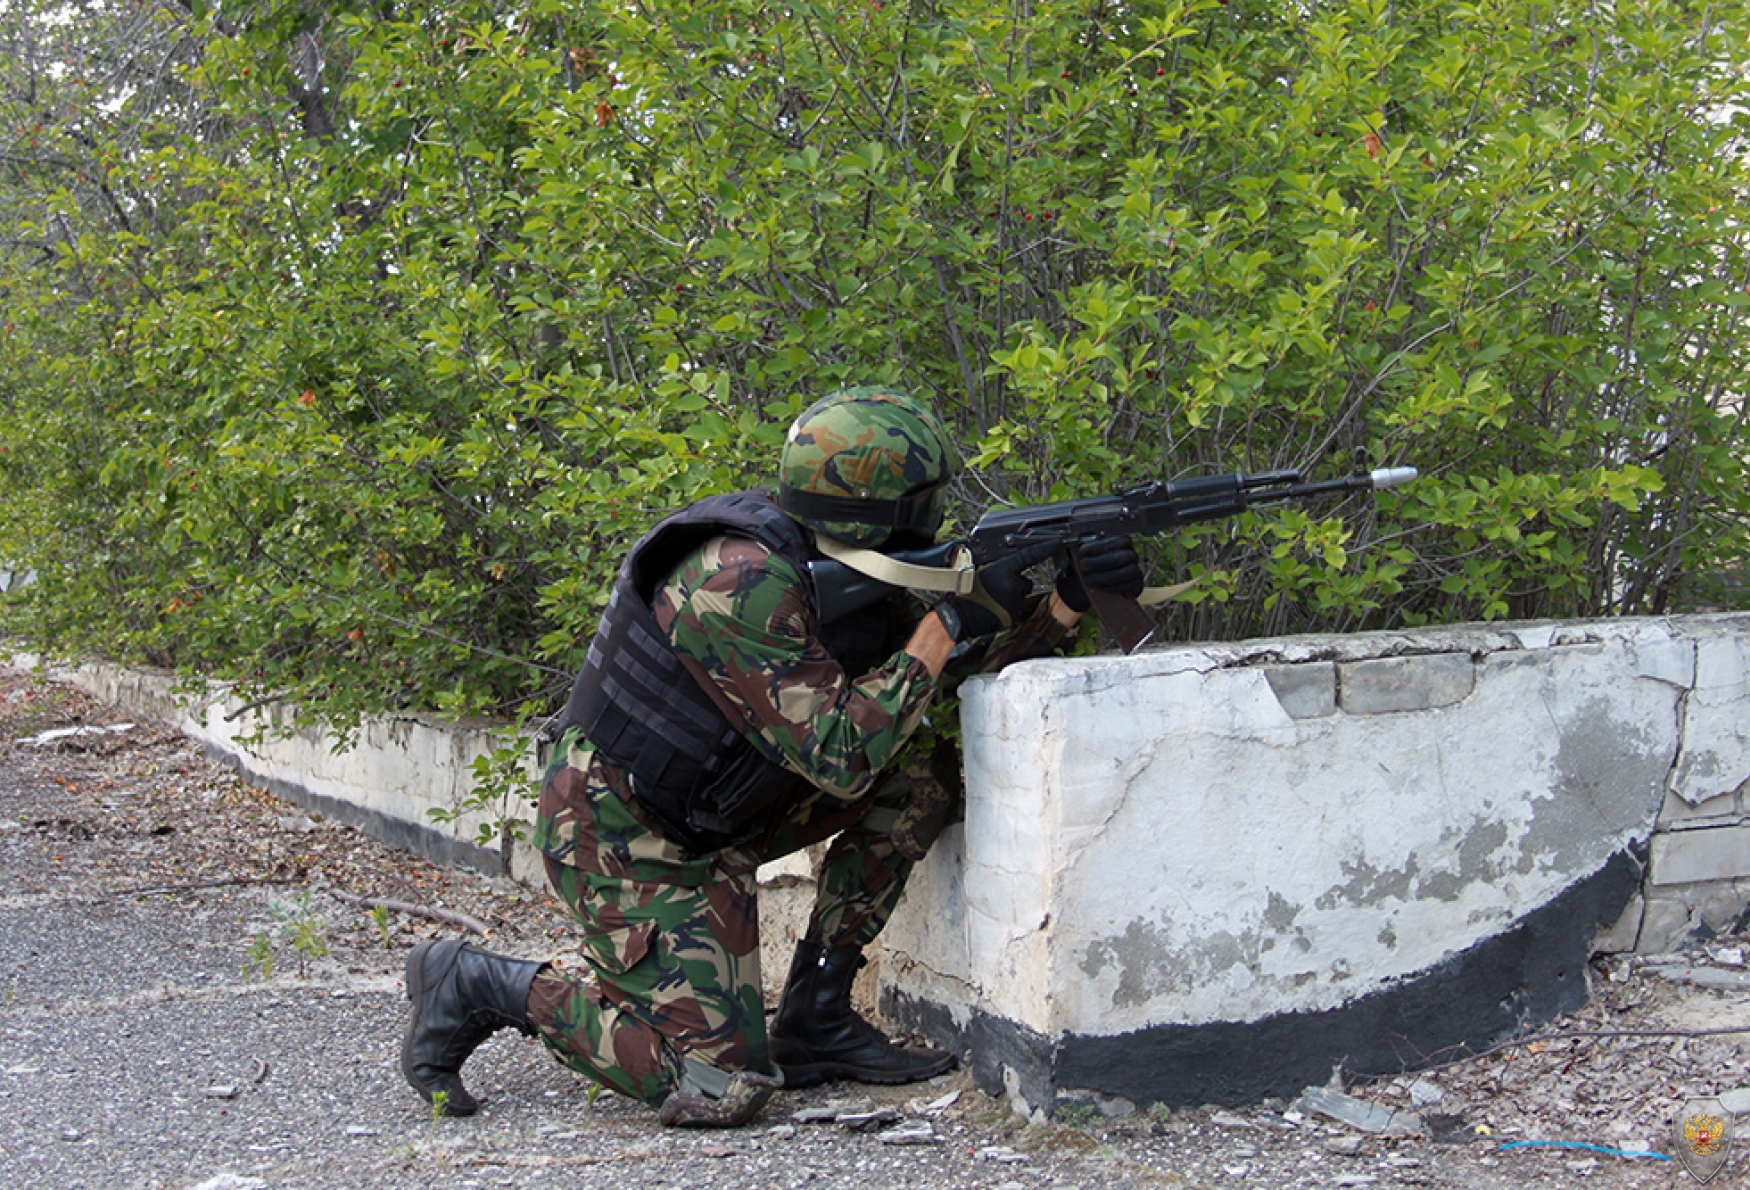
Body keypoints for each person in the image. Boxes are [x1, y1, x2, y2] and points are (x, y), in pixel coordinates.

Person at [399, 386, 1144, 1127]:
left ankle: (817, 1014)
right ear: (882, 505)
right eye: (925, 497)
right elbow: (841, 755)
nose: (938, 511)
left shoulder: (856, 561)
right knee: (717, 1086)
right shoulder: (734, 579)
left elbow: (928, 705)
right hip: (627, 835)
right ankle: (475, 981)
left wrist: (1062, 605)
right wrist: (947, 623)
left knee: (921, 780)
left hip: (723, 804)